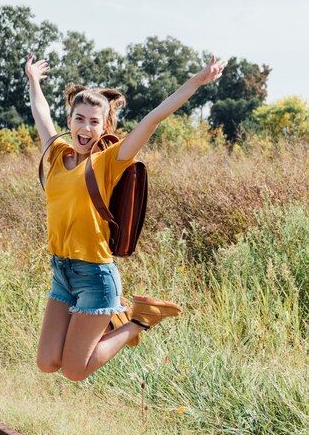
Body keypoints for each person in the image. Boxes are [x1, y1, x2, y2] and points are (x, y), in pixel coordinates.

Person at [26, 53, 227, 381]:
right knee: (47, 362)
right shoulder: (55, 154)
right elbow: (40, 111)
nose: (85, 128)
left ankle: (138, 319)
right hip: (61, 271)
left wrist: (197, 81)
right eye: (79, 119)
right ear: (70, 120)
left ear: (104, 126)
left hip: (95, 276)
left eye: (94, 122)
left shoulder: (109, 161)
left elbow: (153, 119)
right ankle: (118, 318)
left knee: (75, 371)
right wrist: (33, 79)